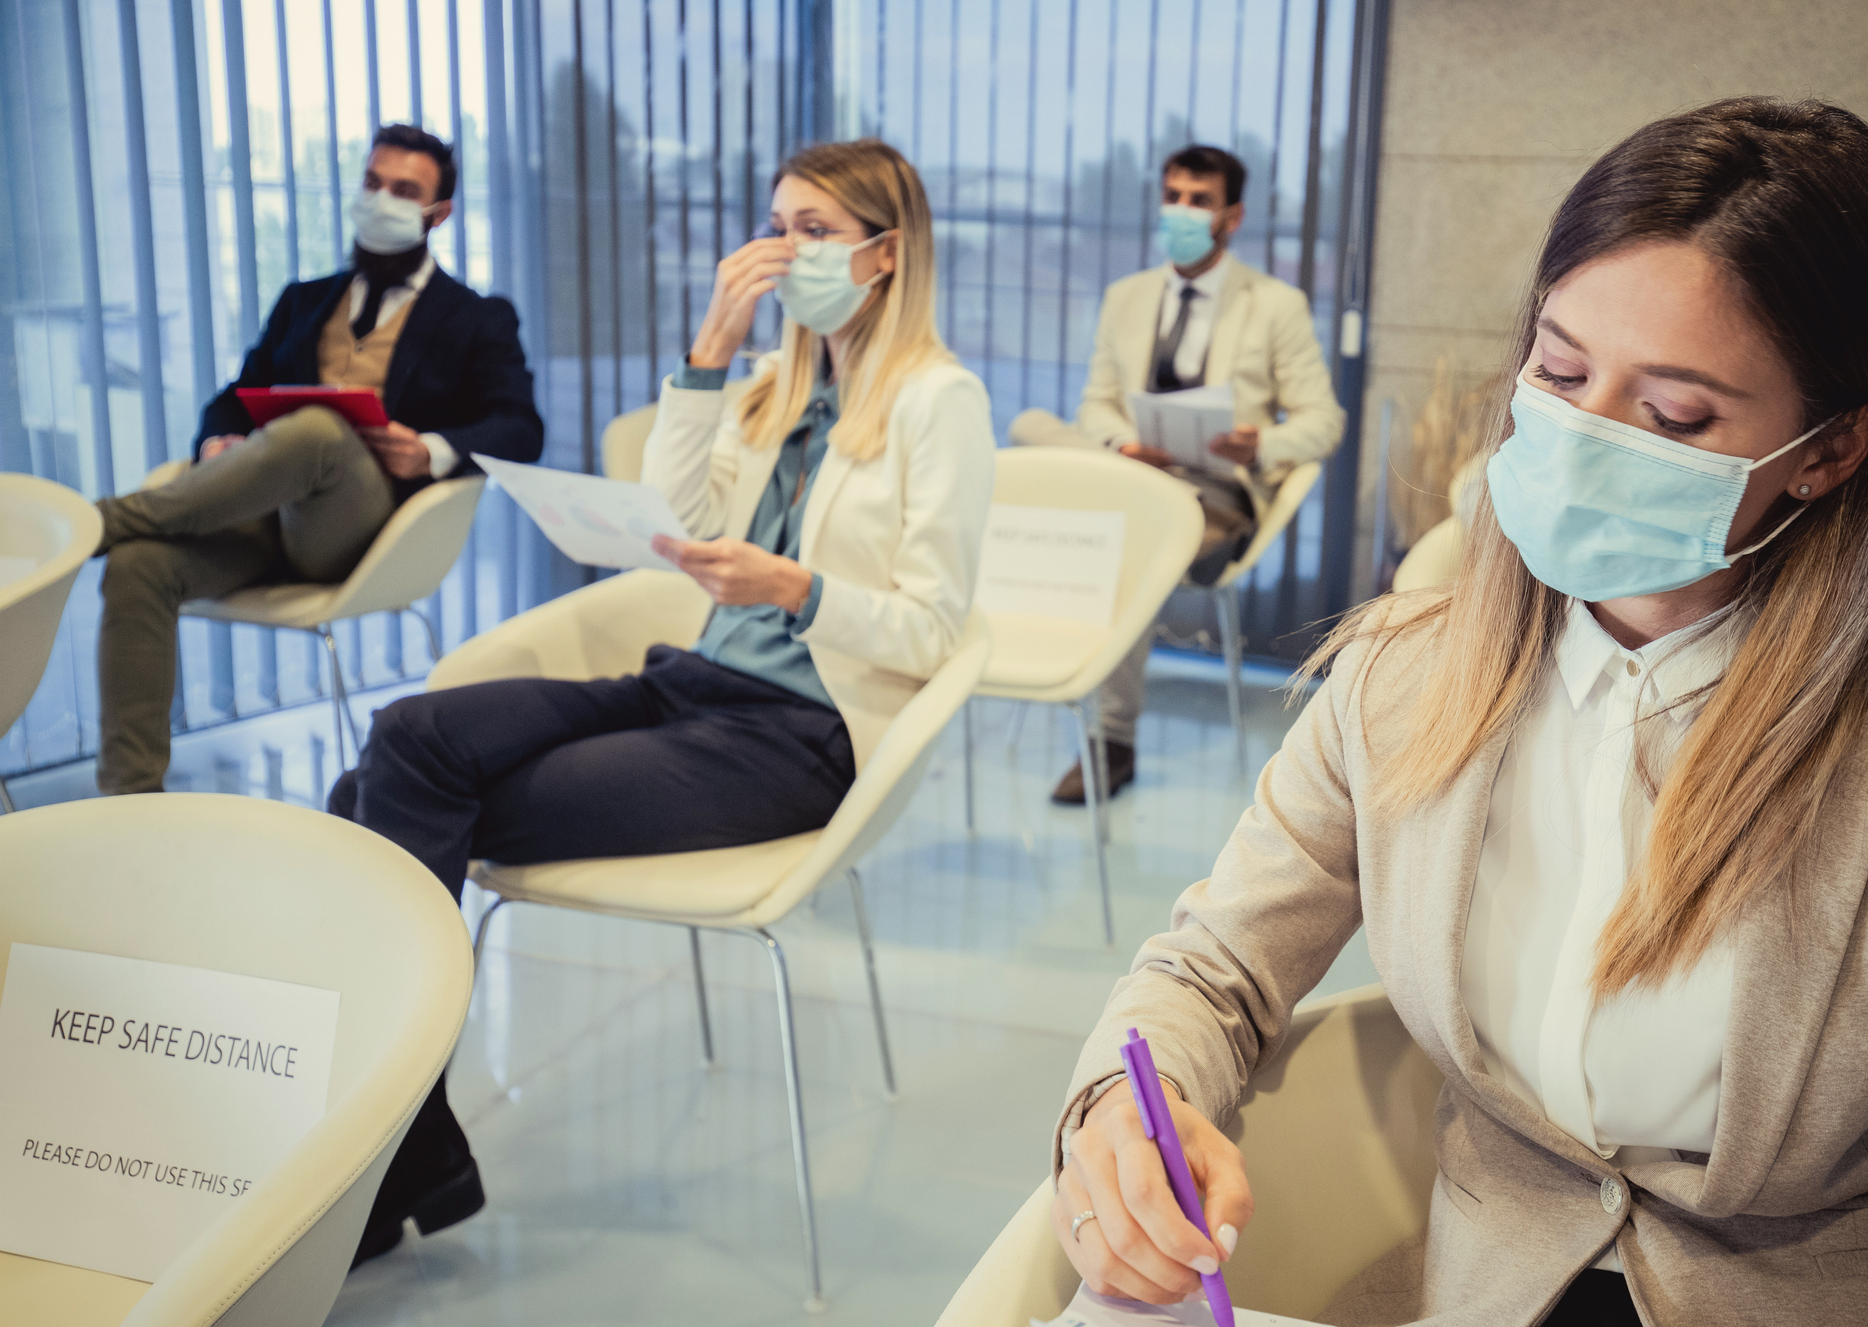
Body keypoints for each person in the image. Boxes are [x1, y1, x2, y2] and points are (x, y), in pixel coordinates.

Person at [1048, 99, 1868, 1326]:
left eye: (1674, 415)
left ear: (1832, 452)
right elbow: (1213, 967)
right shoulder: (1401, 677)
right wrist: (1120, 1111)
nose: (1577, 436)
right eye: (1558, 372)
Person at [327, 138, 993, 1269]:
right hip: (683, 682)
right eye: (778, 226)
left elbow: (934, 630)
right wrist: (713, 347)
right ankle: (411, 1140)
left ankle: (381, 1143)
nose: (784, 251)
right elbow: (671, 518)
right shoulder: (776, 384)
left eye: (816, 231)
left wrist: (798, 588)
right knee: (405, 738)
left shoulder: (941, 402)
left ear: (885, 254)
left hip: (797, 735)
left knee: (373, 804)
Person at [92, 123, 542, 795]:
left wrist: (430, 451)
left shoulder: (478, 318)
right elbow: (233, 399)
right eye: (372, 182)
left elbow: (521, 428)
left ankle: (98, 522)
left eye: (404, 190)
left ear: (439, 213)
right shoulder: (303, 301)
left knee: (319, 431)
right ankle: (128, 800)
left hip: (366, 535)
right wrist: (216, 445)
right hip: (259, 526)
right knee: (137, 566)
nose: (380, 199)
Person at [1009, 145, 1343, 804]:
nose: (1181, 211)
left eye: (1199, 201)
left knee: (1128, 541)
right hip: (1131, 473)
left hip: (1212, 494)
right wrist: (1123, 443)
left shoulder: (1274, 305)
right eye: (1173, 197)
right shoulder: (1126, 298)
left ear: (1232, 216)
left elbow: (1323, 421)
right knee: (1029, 424)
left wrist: (1259, 444)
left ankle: (1111, 741)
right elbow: (1096, 404)